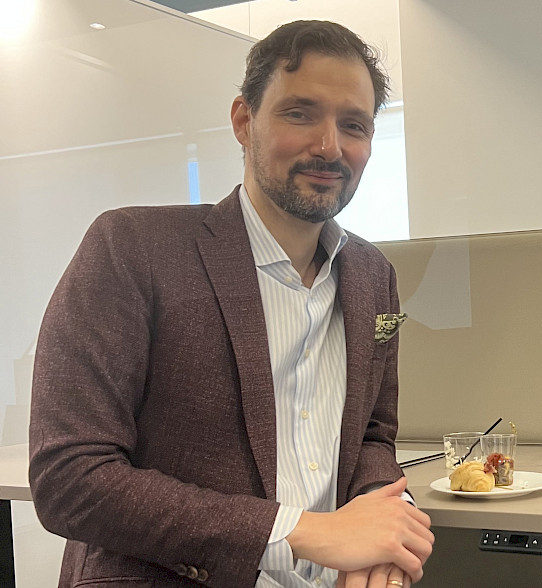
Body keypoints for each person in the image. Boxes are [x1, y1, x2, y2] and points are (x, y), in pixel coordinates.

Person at [29, 20, 433, 588]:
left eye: (353, 125)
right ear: (244, 121)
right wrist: (297, 532)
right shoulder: (132, 248)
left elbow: (371, 437)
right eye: (300, 113)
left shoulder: (373, 276)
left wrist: (385, 518)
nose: (329, 146)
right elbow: (70, 478)